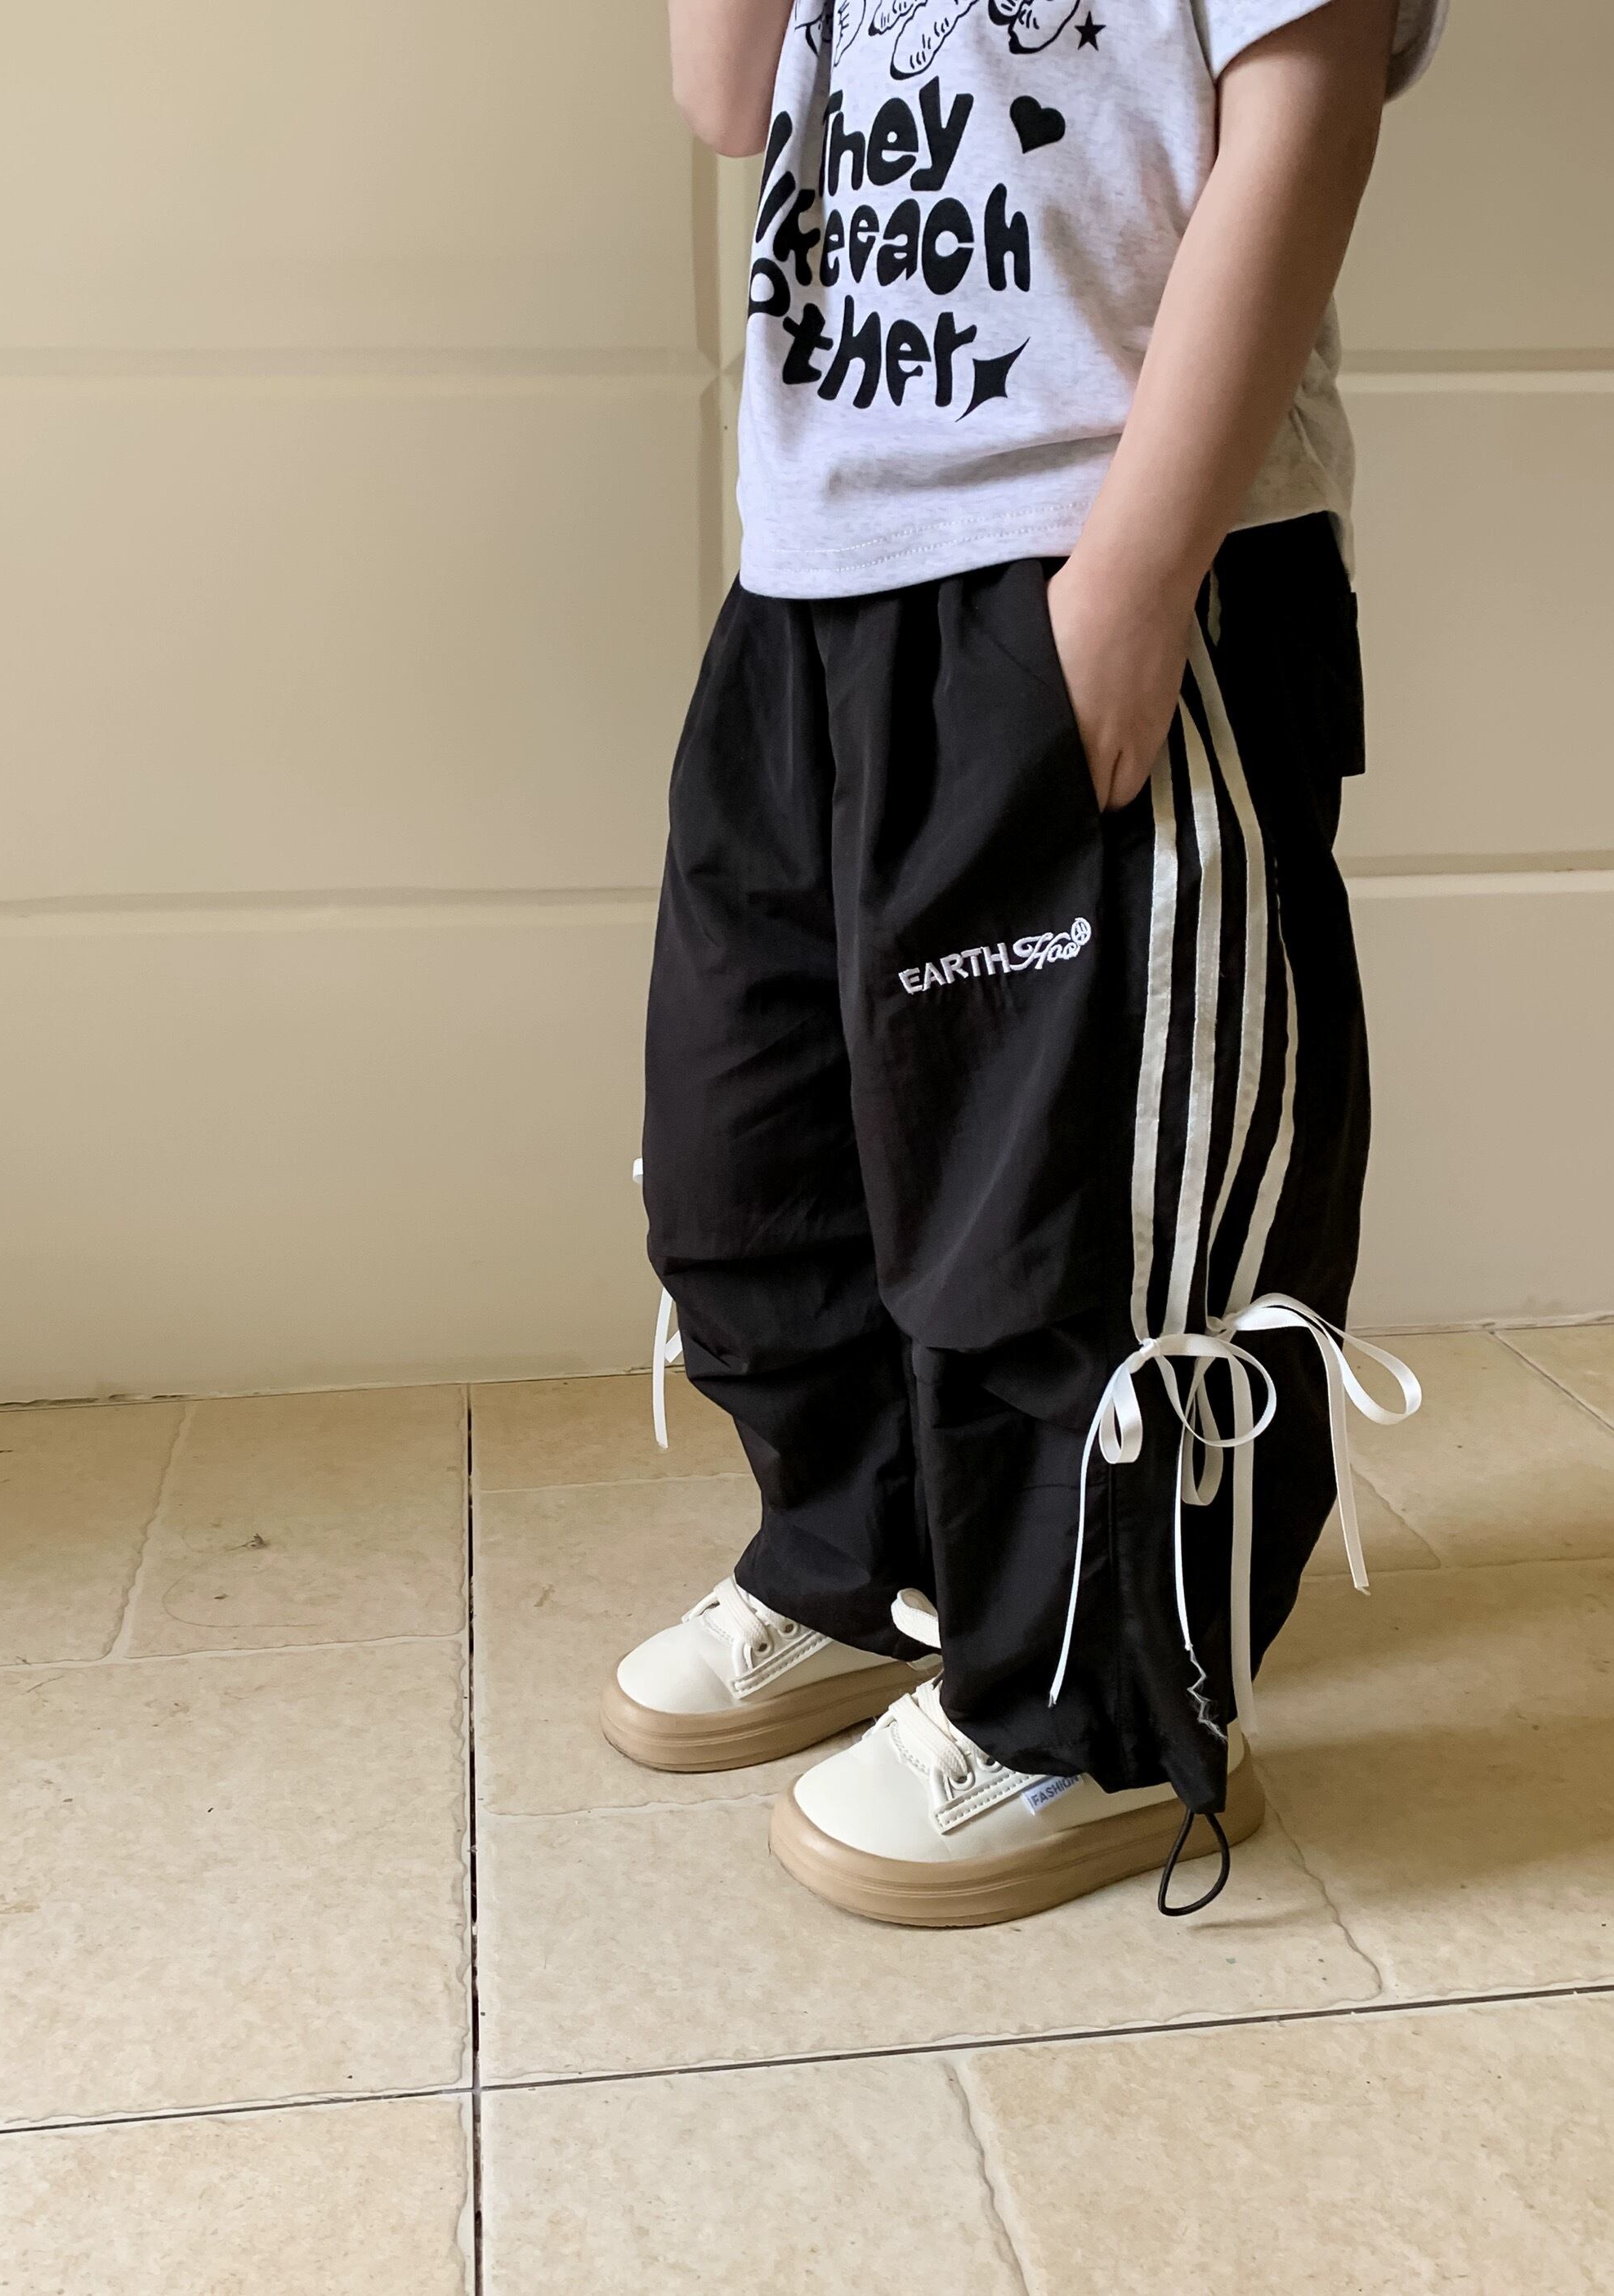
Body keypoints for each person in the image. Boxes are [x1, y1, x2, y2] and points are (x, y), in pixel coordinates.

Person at [603, 0, 1442, 1925]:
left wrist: (1135, 582)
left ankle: (1092, 1719)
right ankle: (865, 1569)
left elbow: (1305, 111)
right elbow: (722, 98)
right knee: (758, 1158)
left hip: (1105, 546)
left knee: (1084, 1211)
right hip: (817, 563)